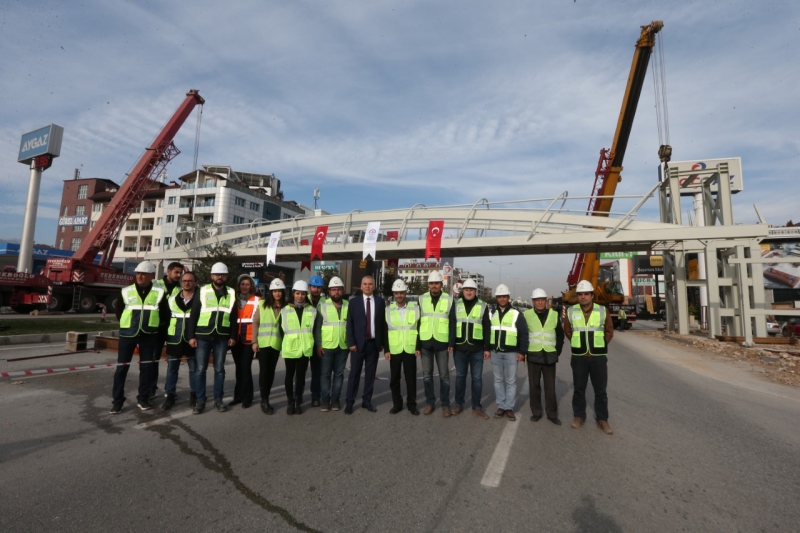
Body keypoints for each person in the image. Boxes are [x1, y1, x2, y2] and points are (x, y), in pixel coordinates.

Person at [109, 261, 168, 414]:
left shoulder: (159, 293)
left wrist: (154, 327)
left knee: (146, 368)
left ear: (151, 276)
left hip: (149, 335)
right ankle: (117, 401)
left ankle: (143, 398)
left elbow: (165, 315)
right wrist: (128, 325)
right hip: (128, 334)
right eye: (138, 273)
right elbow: (119, 311)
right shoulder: (126, 291)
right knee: (121, 369)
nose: (139, 276)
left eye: (143, 274)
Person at [563, 280, 615, 435]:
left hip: (598, 356)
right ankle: (579, 417)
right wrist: (577, 343)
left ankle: (602, 420)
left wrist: (599, 344)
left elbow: (609, 330)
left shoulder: (602, 310)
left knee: (600, 390)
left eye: (586, 294)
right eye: (580, 294)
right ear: (577, 296)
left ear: (592, 295)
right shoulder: (571, 311)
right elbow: (568, 330)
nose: (583, 297)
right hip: (579, 356)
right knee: (579, 389)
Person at [186, 262, 236, 414]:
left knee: (219, 370)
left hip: (222, 337)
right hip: (203, 336)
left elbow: (233, 317)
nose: (219, 277)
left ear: (226, 276)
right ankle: (200, 401)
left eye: (222, 274)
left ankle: (218, 400)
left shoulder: (232, 292)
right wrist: (191, 336)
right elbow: (193, 314)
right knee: (200, 370)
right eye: (217, 274)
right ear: (212, 276)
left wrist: (233, 335)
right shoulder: (202, 291)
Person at [449, 279, 491, 419]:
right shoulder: (456, 304)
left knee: (477, 379)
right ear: (463, 291)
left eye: (471, 290)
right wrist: (451, 343)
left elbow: (486, 327)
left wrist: (487, 348)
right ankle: (459, 404)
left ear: (475, 291)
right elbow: (452, 324)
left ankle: (477, 406)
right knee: (460, 377)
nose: (468, 292)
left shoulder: (482, 305)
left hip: (477, 349)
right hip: (460, 348)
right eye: (466, 289)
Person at [345, 275, 385, 414]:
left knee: (370, 375)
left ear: (374, 286)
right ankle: (349, 402)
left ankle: (366, 401)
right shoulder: (354, 302)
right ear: (361, 286)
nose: (368, 286)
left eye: (370, 284)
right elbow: (349, 324)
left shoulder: (380, 302)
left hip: (373, 345)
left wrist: (381, 343)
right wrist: (351, 342)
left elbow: (382, 324)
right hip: (357, 345)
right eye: (365, 284)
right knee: (354, 375)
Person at [523, 288, 564, 425]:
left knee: (550, 387)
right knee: (534, 386)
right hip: (533, 356)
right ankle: (536, 412)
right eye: (537, 300)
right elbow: (522, 335)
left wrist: (557, 351)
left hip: (549, 356)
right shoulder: (527, 315)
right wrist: (523, 352)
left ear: (546, 301)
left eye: (542, 300)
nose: (540, 302)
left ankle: (552, 414)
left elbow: (560, 335)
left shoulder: (553, 314)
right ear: (533, 301)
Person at [489, 283, 528, 421]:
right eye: (499, 297)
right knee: (498, 380)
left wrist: (522, 352)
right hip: (496, 352)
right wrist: (487, 349)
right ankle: (501, 405)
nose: (502, 299)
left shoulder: (516, 313)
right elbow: (488, 332)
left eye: (504, 296)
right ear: (497, 298)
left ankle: (509, 407)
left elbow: (523, 333)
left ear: (508, 297)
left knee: (511, 381)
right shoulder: (491, 313)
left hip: (512, 353)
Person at [418, 270, 453, 417]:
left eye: (436, 283)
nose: (434, 286)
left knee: (444, 376)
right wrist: (417, 344)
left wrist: (451, 342)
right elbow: (417, 322)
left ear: (441, 284)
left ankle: (445, 405)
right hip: (425, 342)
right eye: (431, 283)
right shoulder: (421, 299)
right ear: (428, 285)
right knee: (427, 375)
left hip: (442, 342)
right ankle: (430, 403)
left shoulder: (449, 299)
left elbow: (452, 322)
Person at [162, 271, 198, 410]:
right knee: (172, 369)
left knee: (194, 369)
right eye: (184, 281)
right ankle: (170, 395)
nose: (187, 283)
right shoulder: (172, 299)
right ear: (181, 283)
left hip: (192, 339)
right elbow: (165, 318)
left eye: (190, 281)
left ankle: (194, 395)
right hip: (174, 338)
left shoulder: (200, 299)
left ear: (195, 283)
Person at [383, 279, 420, 415]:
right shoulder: (387, 310)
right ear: (393, 294)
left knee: (411, 379)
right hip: (395, 349)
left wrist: (418, 346)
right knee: (394, 379)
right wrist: (386, 349)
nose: (399, 295)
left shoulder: (415, 308)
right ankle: (397, 404)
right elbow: (385, 331)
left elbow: (419, 328)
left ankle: (412, 405)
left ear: (405, 293)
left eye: (401, 292)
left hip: (410, 348)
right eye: (397, 293)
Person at [280, 280, 317, 415]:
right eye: (297, 293)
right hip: (290, 348)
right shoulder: (285, 310)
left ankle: (298, 400)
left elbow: (313, 330)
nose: (300, 296)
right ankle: (290, 401)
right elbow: (281, 329)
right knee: (289, 376)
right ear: (293, 294)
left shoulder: (312, 310)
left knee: (300, 377)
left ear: (305, 295)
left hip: (305, 349)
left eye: (302, 294)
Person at [314, 276, 349, 412]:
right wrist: (318, 345)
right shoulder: (322, 305)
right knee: (325, 374)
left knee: (339, 374)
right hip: (326, 346)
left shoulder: (348, 304)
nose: (336, 292)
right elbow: (317, 328)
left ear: (342, 290)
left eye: (339, 289)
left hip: (343, 345)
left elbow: (350, 326)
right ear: (329, 291)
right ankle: (324, 399)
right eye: (334, 290)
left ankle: (335, 399)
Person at [152, 261, 184, 398]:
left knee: (173, 362)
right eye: (176, 272)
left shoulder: (181, 287)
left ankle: (170, 391)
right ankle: (150, 389)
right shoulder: (155, 284)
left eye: (180, 273)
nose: (178, 275)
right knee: (153, 360)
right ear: (168, 271)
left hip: (173, 329)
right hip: (156, 329)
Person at [229, 274, 260, 409]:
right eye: (242, 284)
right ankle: (238, 396)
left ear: (251, 286)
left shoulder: (258, 300)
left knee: (245, 368)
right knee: (238, 369)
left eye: (248, 284)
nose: (245, 287)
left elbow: (259, 321)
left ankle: (248, 397)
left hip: (249, 339)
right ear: (239, 286)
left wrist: (256, 340)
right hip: (236, 339)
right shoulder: (233, 300)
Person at [255, 278, 285, 415]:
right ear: (271, 292)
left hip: (276, 344)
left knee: (271, 371)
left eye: (279, 291)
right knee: (264, 371)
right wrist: (254, 342)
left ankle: (266, 396)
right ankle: (264, 399)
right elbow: (255, 323)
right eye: (275, 291)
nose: (277, 294)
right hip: (263, 343)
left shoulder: (286, 307)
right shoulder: (262, 304)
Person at [307, 274, 326, 407]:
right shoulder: (302, 299)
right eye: (314, 286)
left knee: (317, 371)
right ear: (309, 287)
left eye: (318, 287)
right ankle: (297, 396)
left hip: (319, 343)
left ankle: (315, 396)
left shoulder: (326, 303)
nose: (316, 290)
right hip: (303, 341)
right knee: (300, 371)